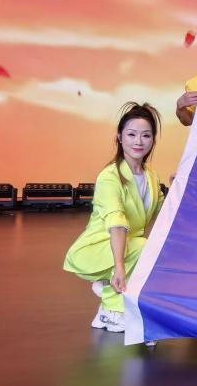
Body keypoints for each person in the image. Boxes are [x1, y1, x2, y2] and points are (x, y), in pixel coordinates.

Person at [63, 102, 166, 333]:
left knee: (152, 248)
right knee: (143, 247)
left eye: (146, 135)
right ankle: (110, 311)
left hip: (127, 246)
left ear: (153, 140)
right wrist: (119, 266)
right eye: (131, 134)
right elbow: (117, 224)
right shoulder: (110, 177)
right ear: (119, 137)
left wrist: (180, 186)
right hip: (96, 250)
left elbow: (163, 209)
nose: (138, 141)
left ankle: (107, 285)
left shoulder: (151, 176)